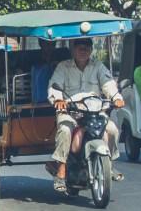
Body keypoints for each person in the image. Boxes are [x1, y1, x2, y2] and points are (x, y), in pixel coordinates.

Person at [45, 38, 125, 190]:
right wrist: (58, 99)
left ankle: (110, 165)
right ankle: (61, 171)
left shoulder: (98, 66)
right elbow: (54, 85)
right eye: (79, 47)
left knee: (112, 129)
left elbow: (108, 84)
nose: (83, 51)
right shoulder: (63, 67)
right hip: (71, 112)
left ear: (91, 50)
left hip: (95, 112)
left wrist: (116, 97)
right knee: (65, 130)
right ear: (73, 50)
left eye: (86, 48)